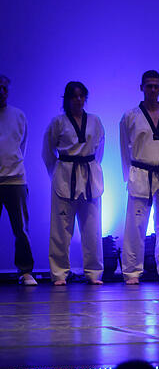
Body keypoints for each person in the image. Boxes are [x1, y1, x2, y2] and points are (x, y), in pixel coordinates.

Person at [119, 70, 159, 284]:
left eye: (156, 86)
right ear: (141, 88)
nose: (152, 89)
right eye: (148, 86)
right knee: (135, 225)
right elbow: (123, 150)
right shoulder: (130, 117)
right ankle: (131, 272)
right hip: (140, 172)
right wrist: (129, 176)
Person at [41, 81, 105, 285]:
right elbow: (47, 152)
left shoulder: (95, 121)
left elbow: (99, 149)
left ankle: (93, 272)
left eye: (81, 96)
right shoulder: (57, 122)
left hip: (89, 177)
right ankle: (59, 273)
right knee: (61, 230)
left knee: (92, 229)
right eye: (74, 96)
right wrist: (58, 173)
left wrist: (92, 168)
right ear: (67, 99)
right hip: (65, 176)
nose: (78, 100)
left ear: (85, 98)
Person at [0, 74, 37, 285]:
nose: (1, 92)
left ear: (8, 90)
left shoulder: (18, 115)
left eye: (4, 88)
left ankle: (25, 271)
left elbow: (22, 146)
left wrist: (13, 166)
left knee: (21, 229)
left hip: (15, 180)